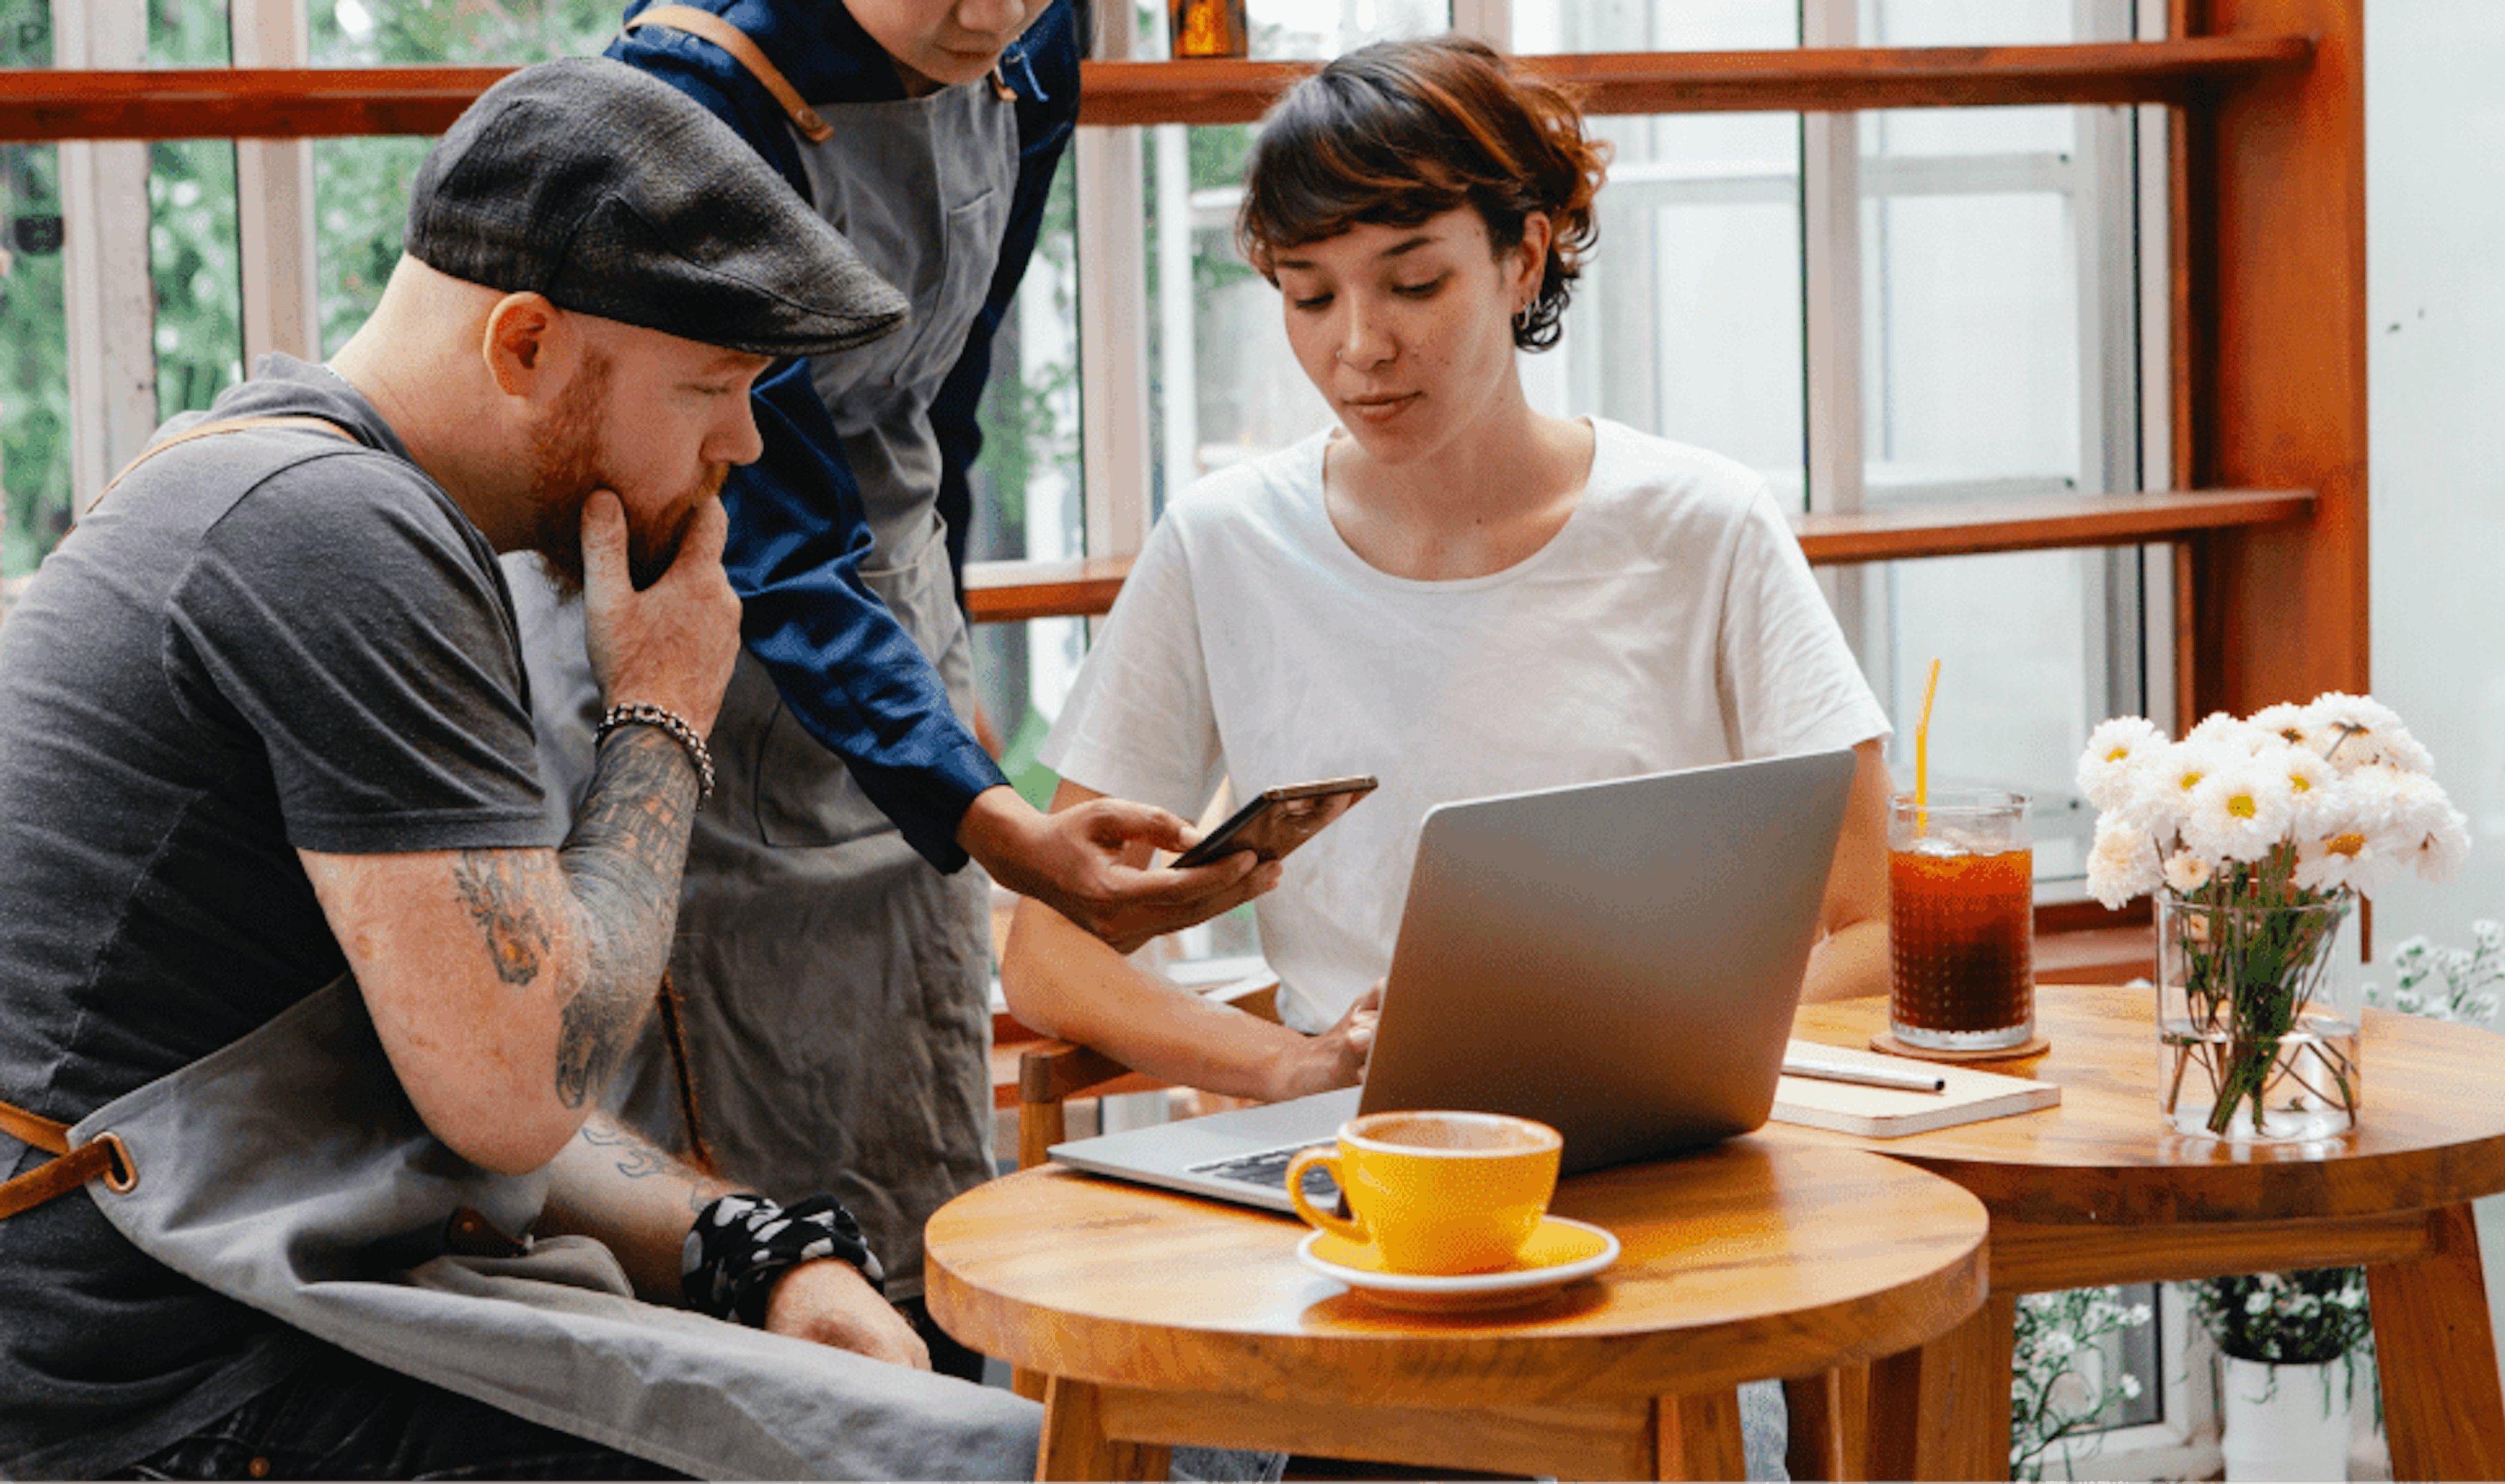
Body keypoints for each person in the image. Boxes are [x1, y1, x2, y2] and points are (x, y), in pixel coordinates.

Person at [0, 60, 1040, 1481]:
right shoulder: (336, 533)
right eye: (712, 387)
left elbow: (445, 1065)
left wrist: (740, 1247)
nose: (741, 443)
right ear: (525, 344)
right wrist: (663, 711)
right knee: (986, 1462)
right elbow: (516, 1088)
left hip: (210, 1300)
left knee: (973, 1436)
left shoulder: (277, 475)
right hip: (151, 1381)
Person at [502, 0, 1272, 1372]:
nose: (989, 14)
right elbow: (780, 525)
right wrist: (993, 817)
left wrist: (944, 678)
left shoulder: (1035, 44)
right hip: (711, 598)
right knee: (737, 1151)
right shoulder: (692, 91)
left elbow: (947, 390)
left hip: (892, 607)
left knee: (912, 1106)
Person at [1003, 34, 1896, 1103]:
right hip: (1355, 1152)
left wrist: (1647, 1056)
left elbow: (1878, 928)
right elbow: (1050, 952)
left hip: (1661, 1133)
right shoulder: (1221, 541)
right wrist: (1288, 1065)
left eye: (1413, 283)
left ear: (1523, 257)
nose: (1362, 346)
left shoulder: (1704, 525)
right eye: (1310, 297)